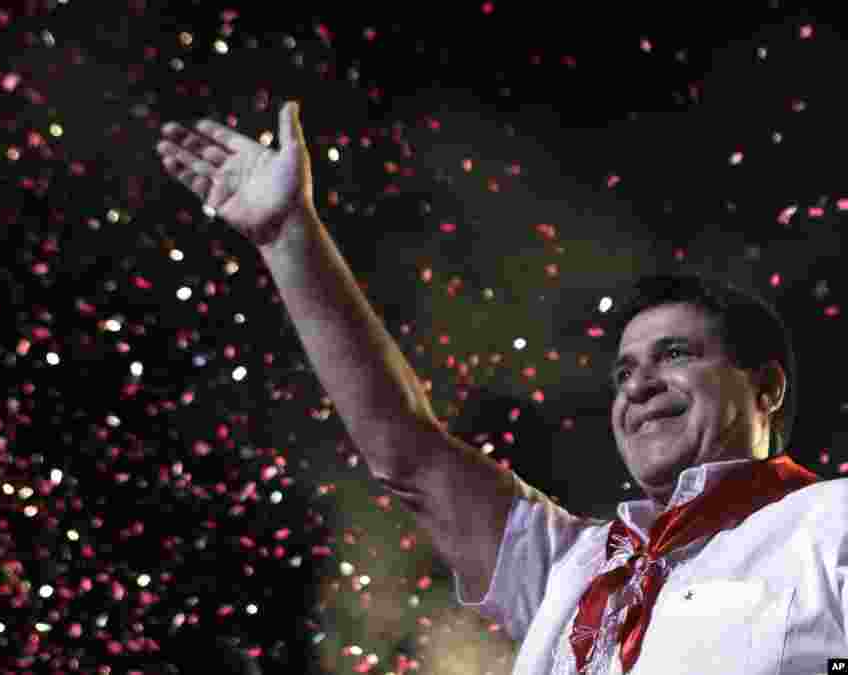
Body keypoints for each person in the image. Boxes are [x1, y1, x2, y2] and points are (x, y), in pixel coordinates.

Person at [155, 101, 848, 674]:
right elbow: (408, 454)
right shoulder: (570, 567)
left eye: (674, 354)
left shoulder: (827, 525)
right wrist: (289, 240)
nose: (638, 386)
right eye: (623, 372)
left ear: (768, 387)